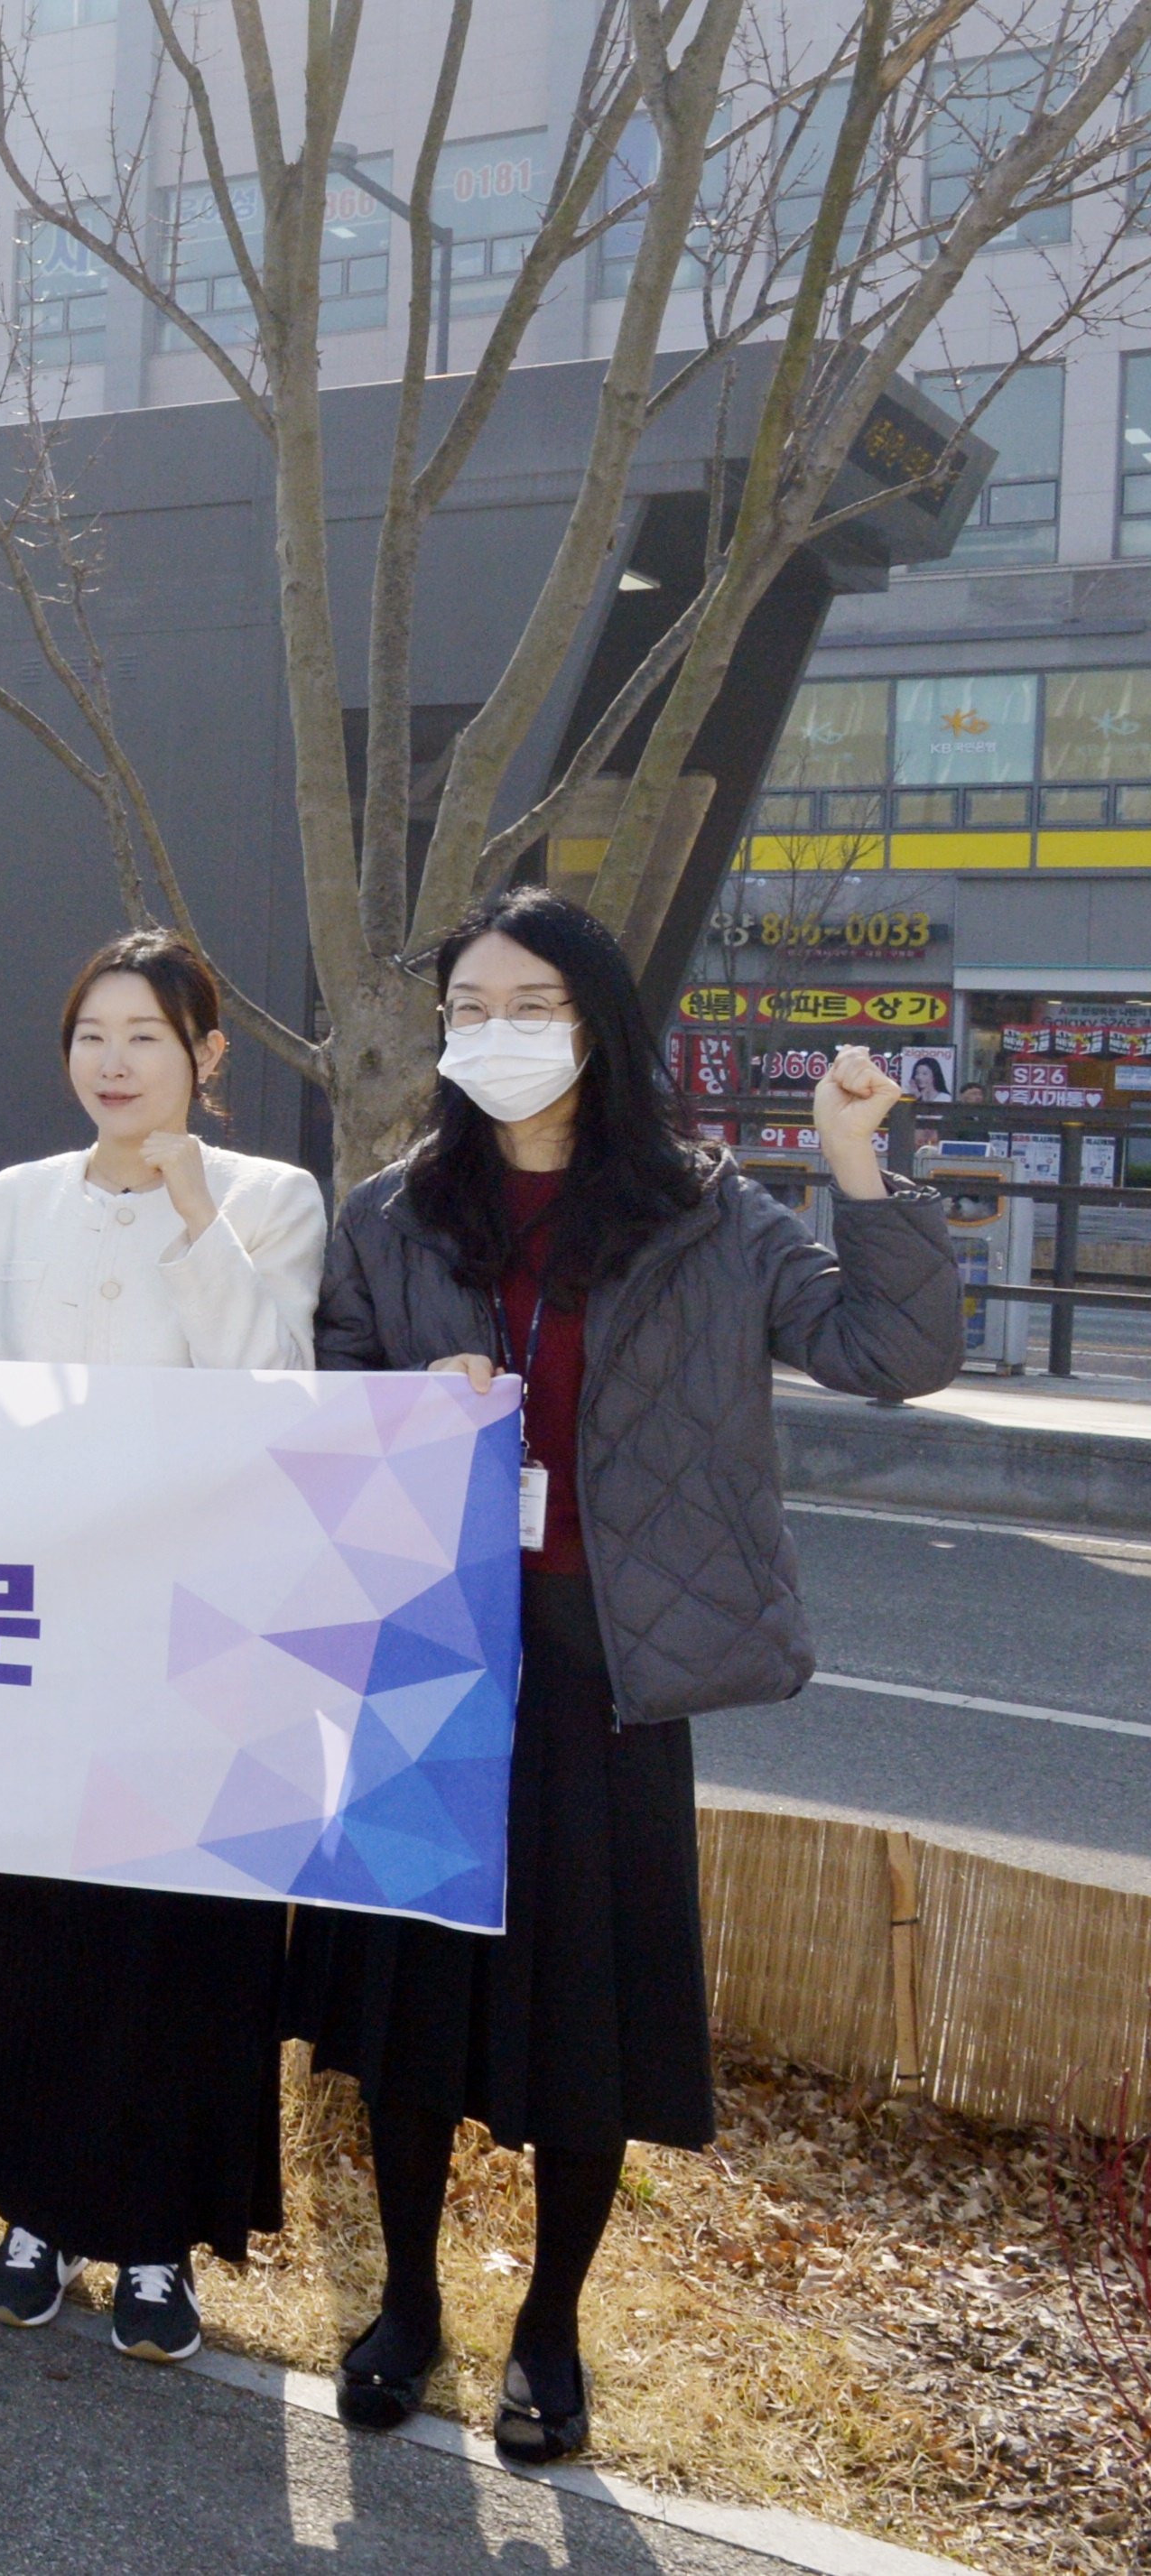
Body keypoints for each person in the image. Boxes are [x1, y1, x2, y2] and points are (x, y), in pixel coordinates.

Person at [290, 885, 961, 2466]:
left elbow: (894, 1350)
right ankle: (405, 2303)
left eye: (532, 1005)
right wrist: (411, 1396)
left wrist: (858, 1164)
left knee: (583, 2021)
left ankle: (549, 2328)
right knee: (409, 2006)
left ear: (597, 1024)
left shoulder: (705, 1217)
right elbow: (324, 1392)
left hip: (609, 1668)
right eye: (471, 1007)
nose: (497, 1033)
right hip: (429, 1659)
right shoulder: (391, 1214)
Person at [0, 931, 325, 2359]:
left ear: (206, 1055)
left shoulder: (272, 1197)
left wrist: (198, 1212)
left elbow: (274, 1384)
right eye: (92, 1032)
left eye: (147, 1034)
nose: (114, 1060)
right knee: (34, 1918)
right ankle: (31, 2211)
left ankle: (158, 2239)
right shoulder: (15, 1200)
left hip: (206, 1631)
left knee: (181, 1933)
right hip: (43, 1616)